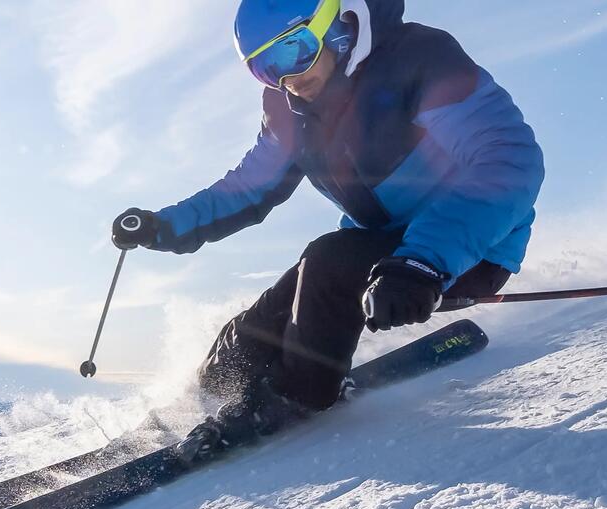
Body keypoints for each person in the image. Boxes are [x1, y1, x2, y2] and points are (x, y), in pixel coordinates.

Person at [109, 0, 544, 457]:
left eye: (294, 50)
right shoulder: (290, 108)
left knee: (327, 262)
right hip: (377, 250)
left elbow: (508, 160)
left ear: (339, 22)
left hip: (467, 248)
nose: (287, 77)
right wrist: (163, 226)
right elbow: (246, 189)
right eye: (264, 67)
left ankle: (293, 396)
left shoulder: (420, 59)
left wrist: (424, 260)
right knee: (266, 317)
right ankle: (211, 393)